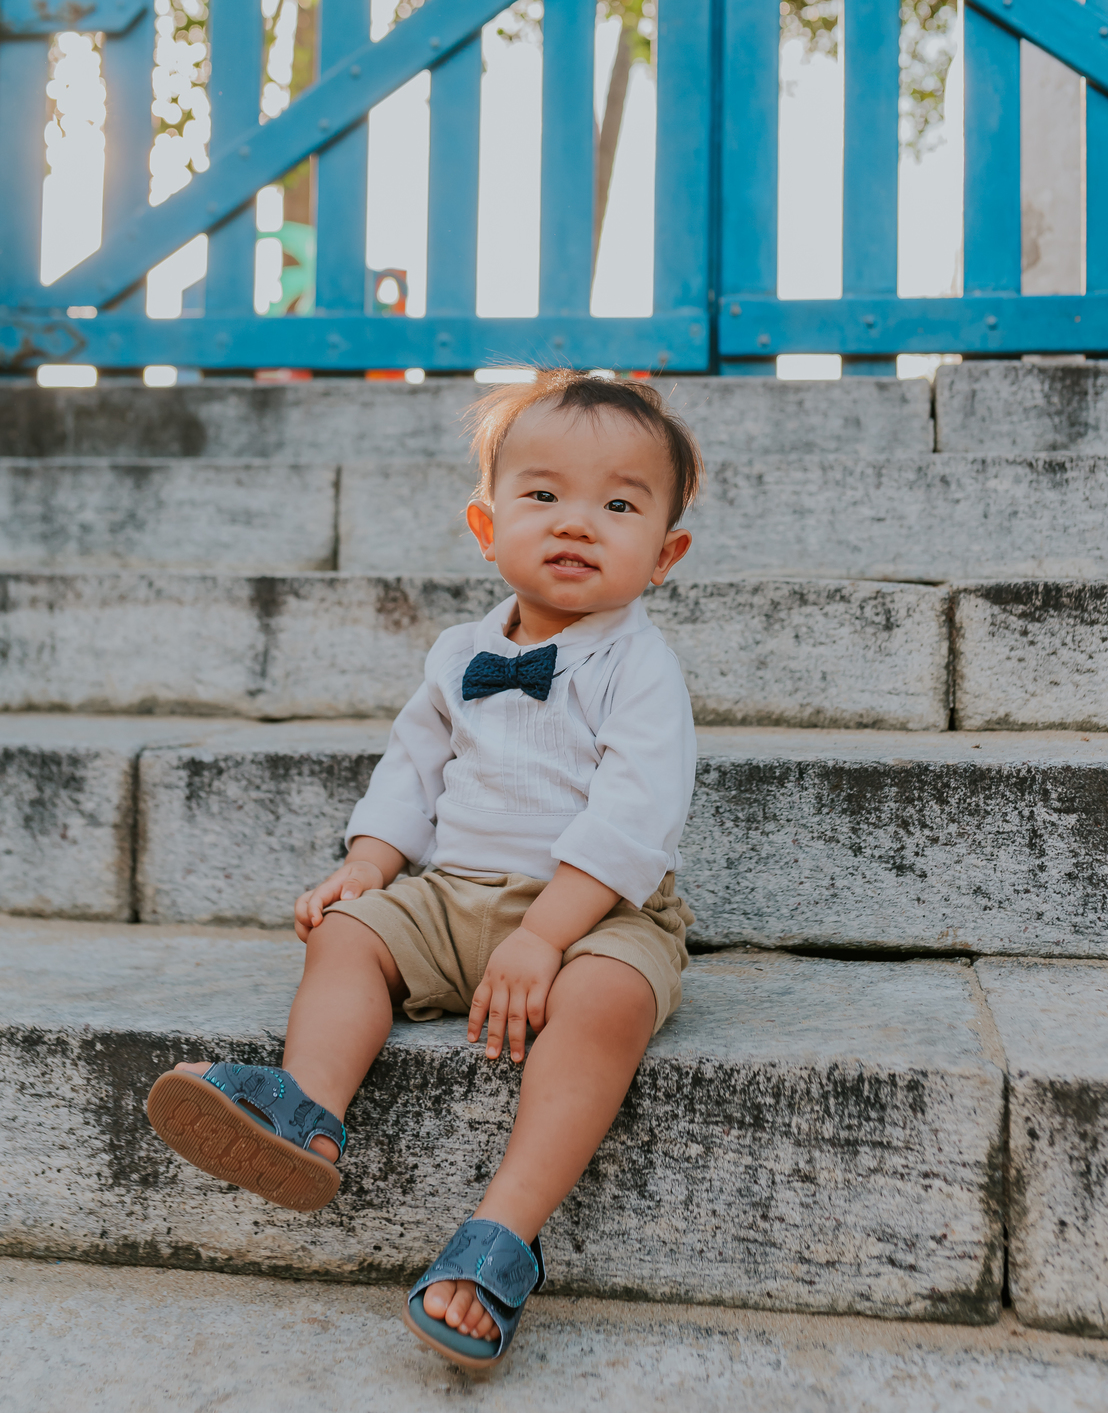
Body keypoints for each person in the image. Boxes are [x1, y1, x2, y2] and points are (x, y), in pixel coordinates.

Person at [146, 368, 704, 1370]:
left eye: (618, 504)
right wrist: (368, 862)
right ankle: (305, 1111)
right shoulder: (458, 652)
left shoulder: (639, 666)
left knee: (609, 1003)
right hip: (452, 897)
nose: (577, 522)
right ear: (487, 528)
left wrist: (546, 935)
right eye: (544, 495)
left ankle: (505, 1228)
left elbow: (636, 817)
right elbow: (412, 767)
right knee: (349, 936)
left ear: (664, 554)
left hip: (597, 912)